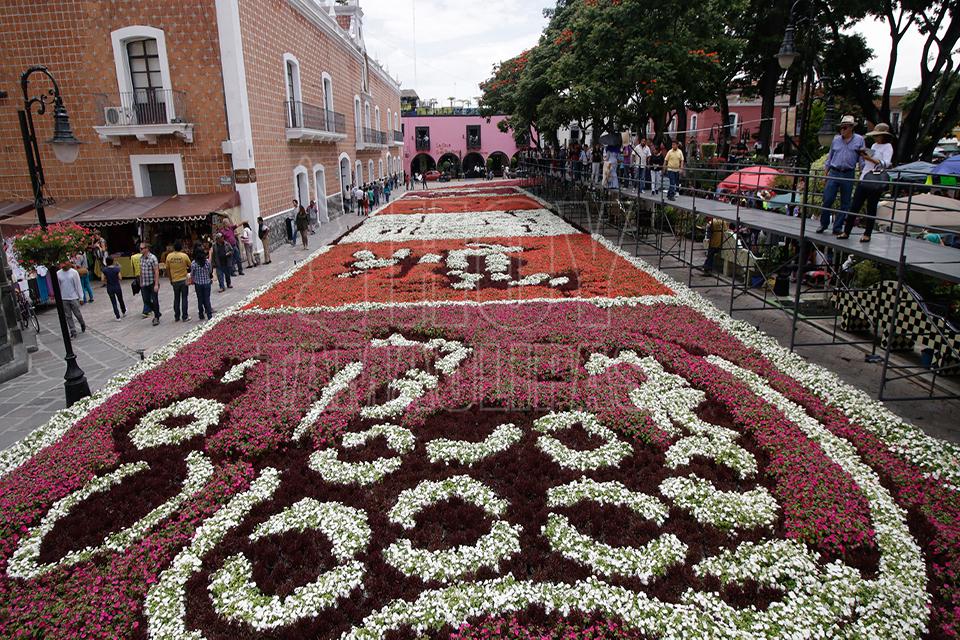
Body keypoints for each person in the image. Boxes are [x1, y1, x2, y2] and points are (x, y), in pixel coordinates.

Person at [838, 123, 894, 243]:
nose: (875, 138)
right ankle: (846, 231)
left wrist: (869, 158)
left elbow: (886, 163)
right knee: (855, 206)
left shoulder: (888, 147)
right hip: (865, 176)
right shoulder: (874, 145)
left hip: (875, 179)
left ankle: (867, 233)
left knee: (871, 207)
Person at [817, 115, 865, 234]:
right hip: (834, 172)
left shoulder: (859, 140)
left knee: (845, 202)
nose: (842, 130)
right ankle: (823, 224)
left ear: (851, 128)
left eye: (844, 128)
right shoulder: (836, 140)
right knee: (827, 200)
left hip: (848, 173)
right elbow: (830, 157)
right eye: (841, 128)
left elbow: (862, 158)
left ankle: (837, 227)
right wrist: (825, 174)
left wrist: (863, 174)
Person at [57, 261, 85, 337]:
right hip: (64, 298)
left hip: (73, 297)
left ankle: (82, 323)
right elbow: (58, 286)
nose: (63, 265)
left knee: (77, 314)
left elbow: (78, 285)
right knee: (68, 316)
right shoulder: (58, 273)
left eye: (64, 263)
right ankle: (73, 331)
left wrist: (81, 297)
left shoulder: (74, 272)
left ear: (68, 263)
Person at [166, 240, 191, 322]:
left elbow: (167, 269)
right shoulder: (184, 256)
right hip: (184, 280)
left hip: (174, 280)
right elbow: (190, 265)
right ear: (181, 248)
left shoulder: (169, 256)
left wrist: (170, 279)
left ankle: (177, 316)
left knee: (176, 298)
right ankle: (185, 316)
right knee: (184, 298)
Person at [138, 242, 162, 325]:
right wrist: (140, 281)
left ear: (147, 249)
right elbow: (141, 270)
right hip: (144, 283)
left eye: (142, 248)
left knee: (155, 300)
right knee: (146, 300)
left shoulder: (153, 258)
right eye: (140, 248)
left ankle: (156, 317)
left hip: (152, 282)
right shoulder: (141, 258)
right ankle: (157, 311)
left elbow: (156, 271)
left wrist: (156, 284)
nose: (140, 250)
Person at [190, 246, 214, 321]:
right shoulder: (207, 262)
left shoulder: (194, 263)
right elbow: (210, 271)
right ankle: (209, 314)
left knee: (200, 299)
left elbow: (192, 274)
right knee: (207, 298)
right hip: (207, 283)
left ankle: (201, 314)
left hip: (198, 284)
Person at [102, 256, 126, 321]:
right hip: (117, 286)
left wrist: (107, 281)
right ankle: (123, 311)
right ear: (112, 261)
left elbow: (102, 279)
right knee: (120, 299)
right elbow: (120, 278)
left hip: (110, 287)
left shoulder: (104, 270)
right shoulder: (116, 269)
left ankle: (117, 316)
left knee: (113, 302)